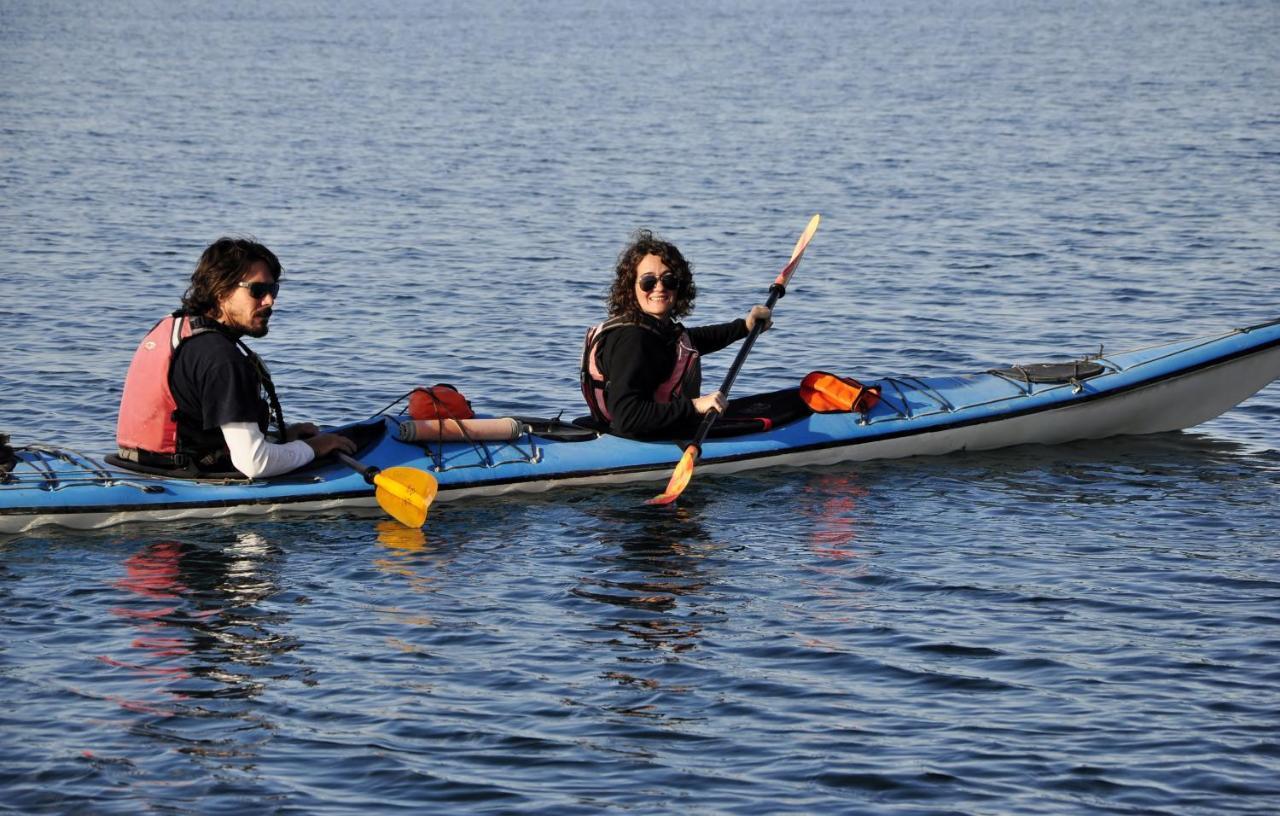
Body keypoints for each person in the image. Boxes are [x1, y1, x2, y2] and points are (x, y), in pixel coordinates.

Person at [116, 237, 356, 477]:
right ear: (221, 291)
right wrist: (314, 447)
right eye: (258, 291)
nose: (270, 301)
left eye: (273, 290)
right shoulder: (222, 359)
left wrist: (281, 439)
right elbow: (254, 463)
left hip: (141, 466)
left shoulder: (174, 327)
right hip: (182, 479)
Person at [581, 229, 772, 439]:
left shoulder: (650, 329)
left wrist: (745, 326)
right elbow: (628, 417)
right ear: (631, 287)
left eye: (669, 280)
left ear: (679, 286)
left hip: (620, 432)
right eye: (648, 281)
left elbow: (691, 341)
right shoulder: (634, 340)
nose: (659, 288)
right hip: (635, 437)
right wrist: (695, 406)